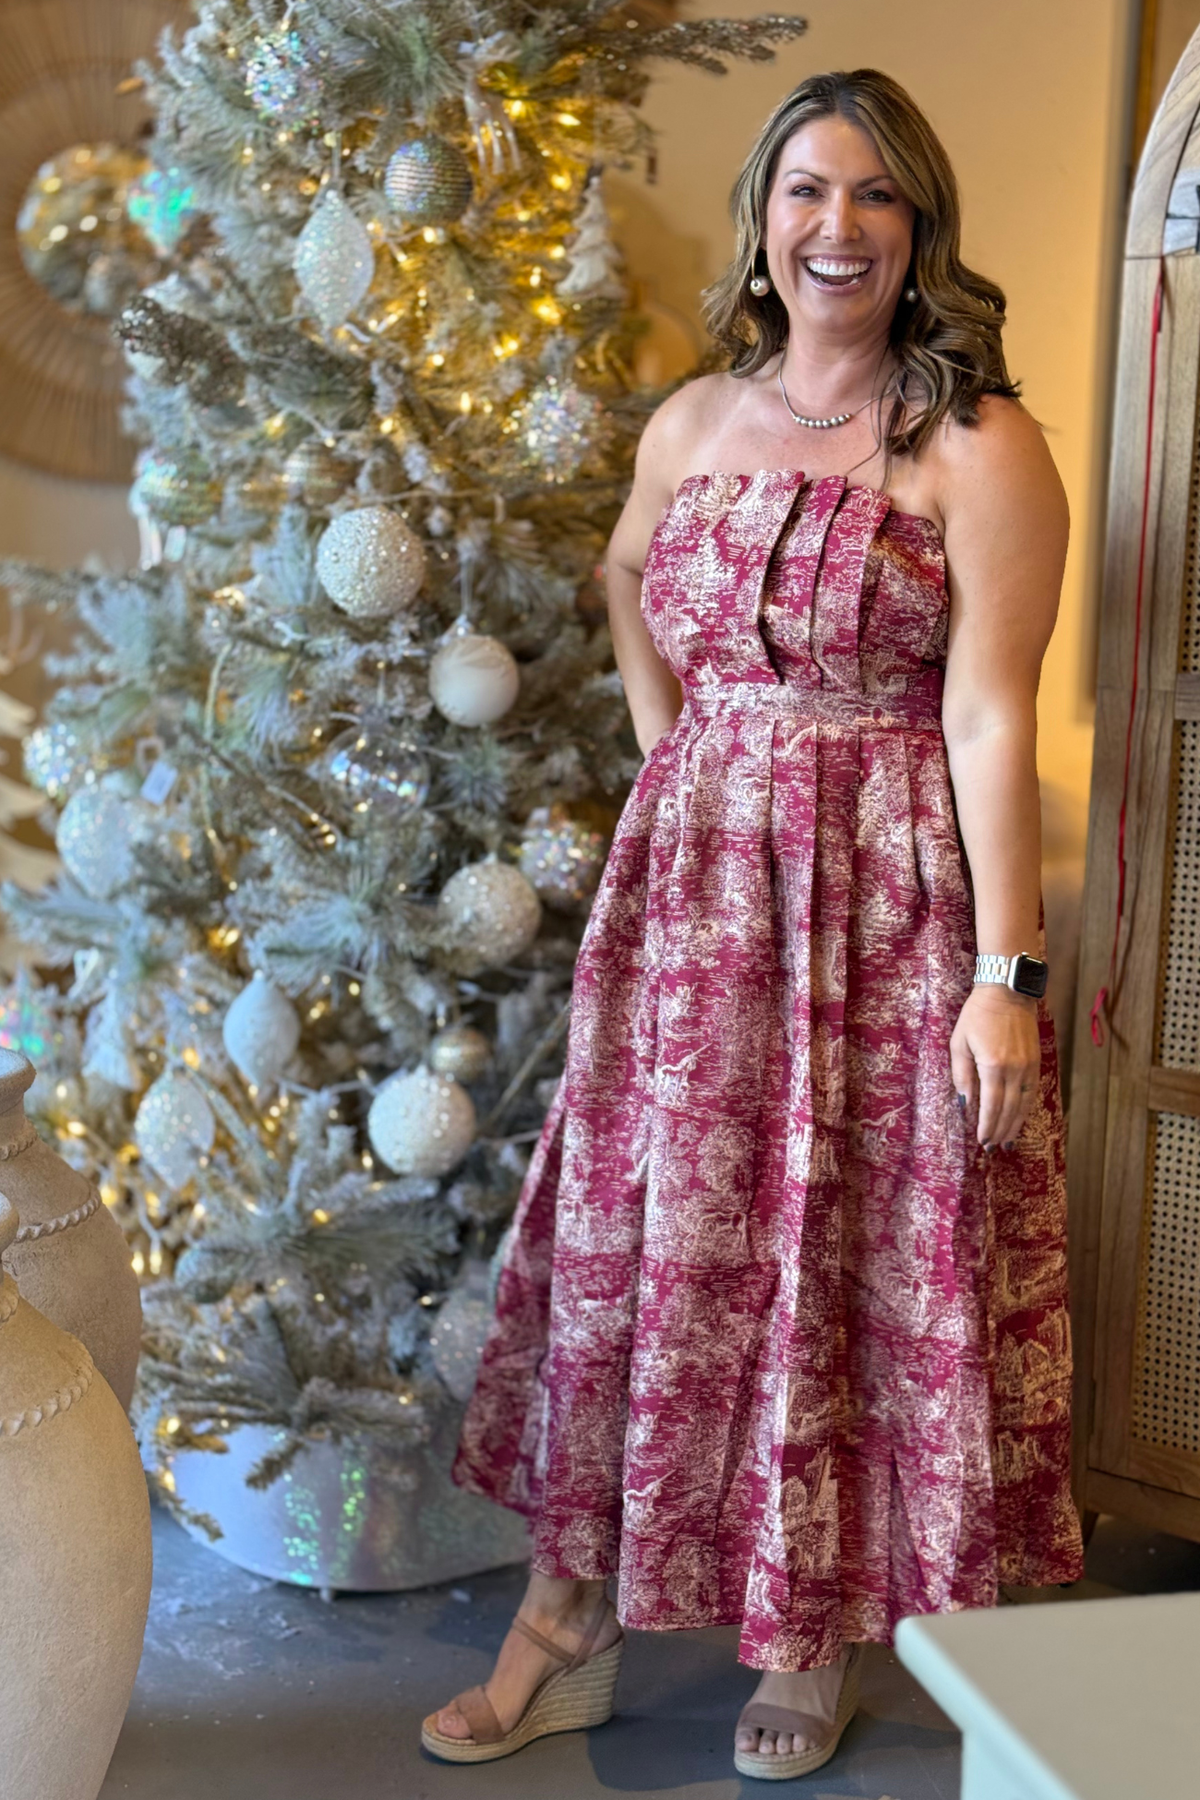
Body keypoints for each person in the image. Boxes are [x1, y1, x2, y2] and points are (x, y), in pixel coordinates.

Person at [424, 67, 1084, 1780]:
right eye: (805, 191)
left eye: (873, 194)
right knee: (647, 1241)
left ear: (919, 223)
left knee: (841, 1251)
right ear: (765, 222)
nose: (836, 225)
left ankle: (815, 1633)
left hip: (884, 909)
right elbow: (634, 577)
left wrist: (1004, 979)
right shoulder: (696, 421)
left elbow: (993, 719)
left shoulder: (981, 445)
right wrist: (684, 762)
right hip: (695, 902)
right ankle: (562, 1623)